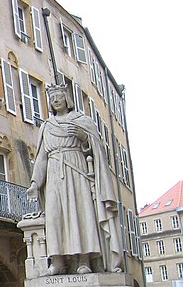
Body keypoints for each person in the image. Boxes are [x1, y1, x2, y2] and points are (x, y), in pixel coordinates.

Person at [26, 84, 123, 275]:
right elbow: (41, 158)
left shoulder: (81, 121)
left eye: (59, 96)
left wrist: (84, 137)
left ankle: (84, 259)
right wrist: (35, 183)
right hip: (54, 173)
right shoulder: (46, 127)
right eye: (52, 97)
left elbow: (98, 151)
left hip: (76, 170)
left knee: (80, 214)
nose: (55, 100)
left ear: (67, 98)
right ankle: (58, 261)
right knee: (55, 217)